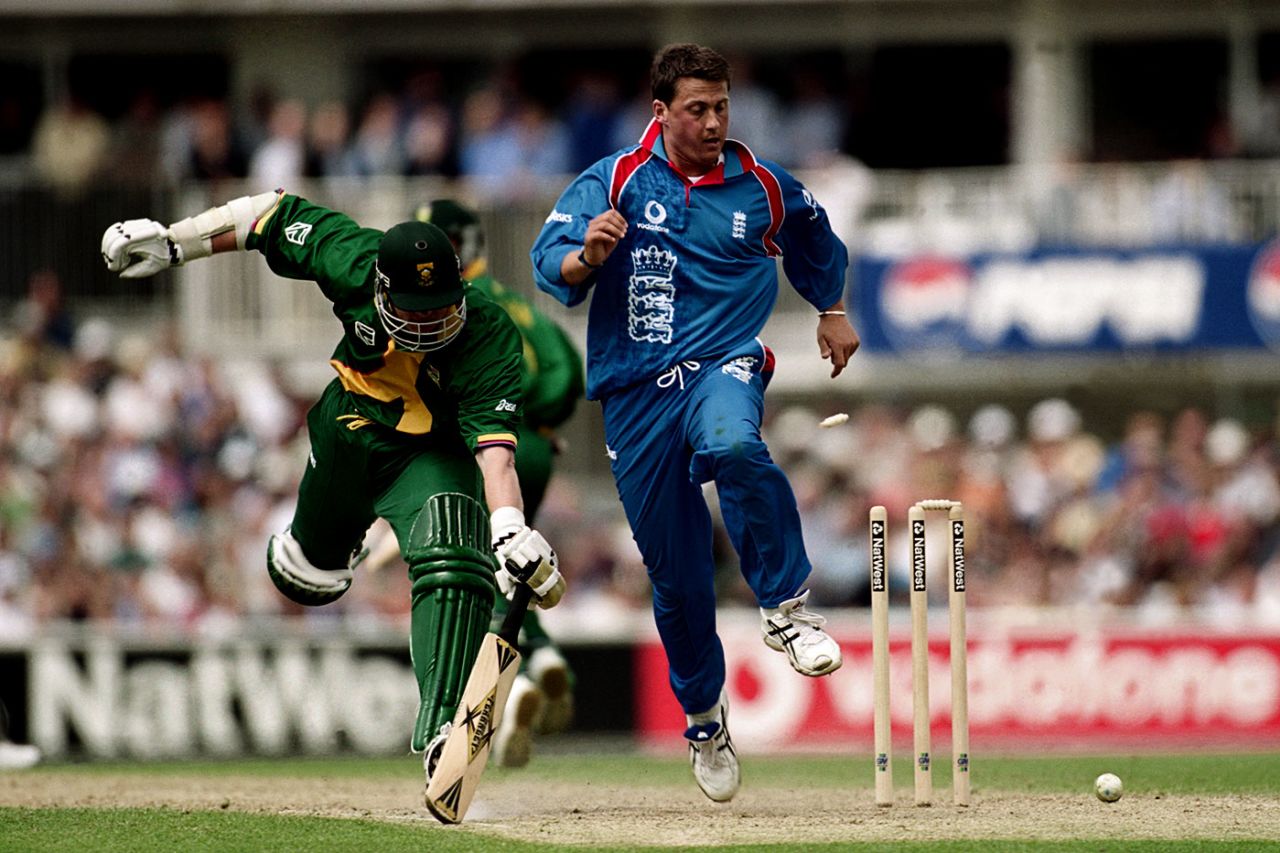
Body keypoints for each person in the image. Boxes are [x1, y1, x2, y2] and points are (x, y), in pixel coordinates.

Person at [99, 189, 566, 794]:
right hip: (349, 427)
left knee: (457, 553)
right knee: (304, 575)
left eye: (439, 307)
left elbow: (496, 457)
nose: (428, 322)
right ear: (380, 288)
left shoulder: (489, 333)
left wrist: (508, 529)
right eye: (413, 309)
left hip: (429, 454)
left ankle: (442, 733)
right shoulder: (353, 257)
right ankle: (331, 539)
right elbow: (267, 215)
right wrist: (173, 242)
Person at [530, 43, 860, 803]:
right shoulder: (613, 179)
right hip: (636, 394)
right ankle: (705, 718)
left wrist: (831, 308)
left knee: (736, 440)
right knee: (677, 579)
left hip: (724, 362)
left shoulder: (762, 186)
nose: (713, 123)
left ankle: (785, 606)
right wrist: (587, 254)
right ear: (661, 112)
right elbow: (551, 260)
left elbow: (814, 235)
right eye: (696, 110)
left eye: (721, 107)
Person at [413, 198, 584, 768]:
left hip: (488, 445)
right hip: (532, 445)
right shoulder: (521, 305)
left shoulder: (462, 307)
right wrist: (539, 423)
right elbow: (567, 372)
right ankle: (540, 657)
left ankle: (515, 686)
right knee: (513, 565)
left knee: (479, 573)